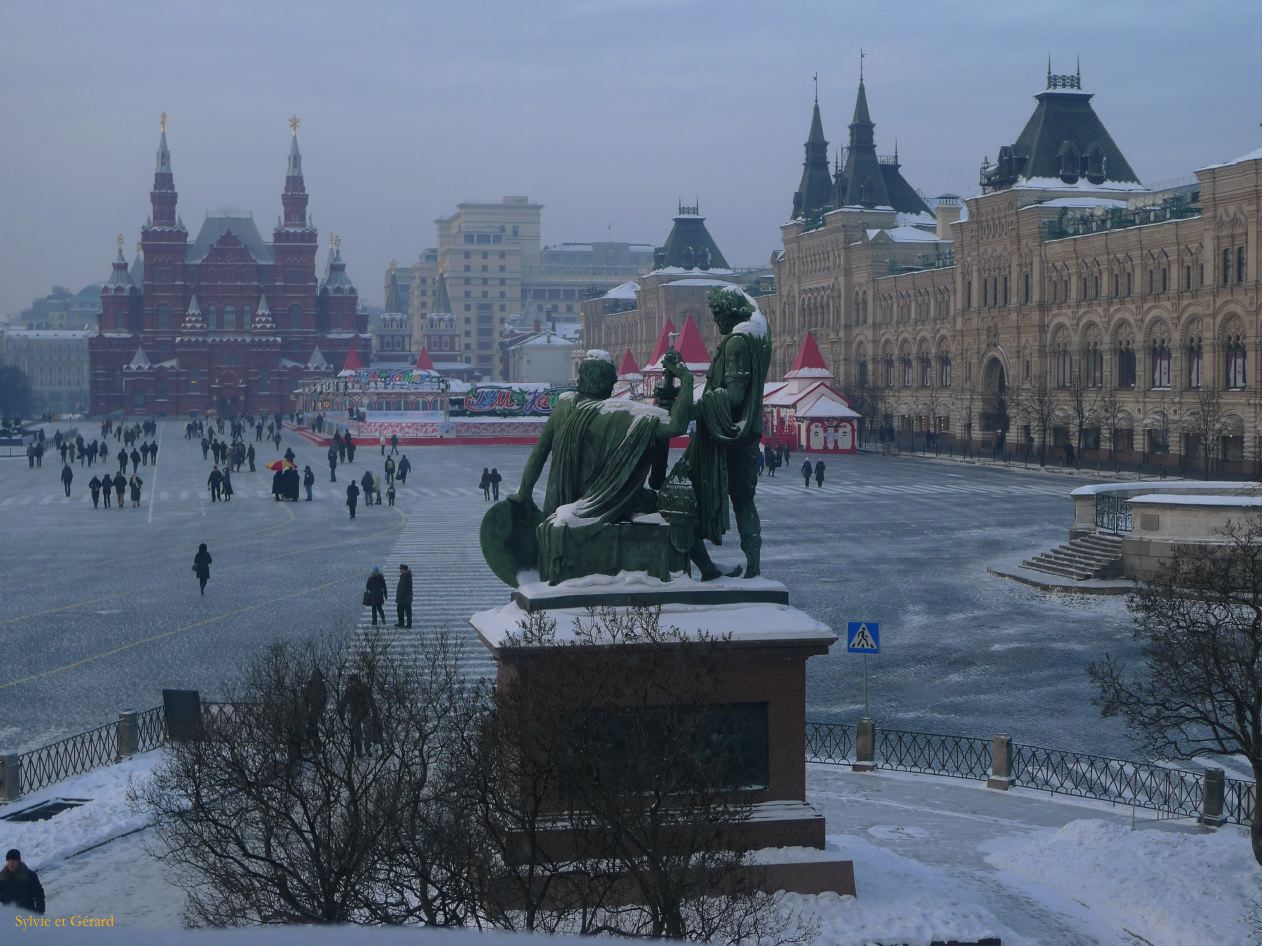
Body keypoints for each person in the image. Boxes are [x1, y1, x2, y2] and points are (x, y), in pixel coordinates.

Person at [684, 288, 772, 580]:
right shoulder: (758, 334)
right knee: (744, 499)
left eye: (718, 316)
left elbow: (733, 396)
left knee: (681, 495)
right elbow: (756, 307)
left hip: (725, 437)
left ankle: (703, 567)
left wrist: (691, 405)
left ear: (730, 313)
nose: (716, 323)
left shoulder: (736, 343)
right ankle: (752, 566)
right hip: (745, 437)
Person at [338, 674, 377, 759]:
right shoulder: (349, 690)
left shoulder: (364, 687)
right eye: (350, 681)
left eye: (353, 681)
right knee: (357, 734)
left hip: (365, 712)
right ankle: (358, 752)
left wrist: (374, 713)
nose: (352, 683)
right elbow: (344, 703)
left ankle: (368, 750)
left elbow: (371, 700)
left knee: (367, 732)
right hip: (355, 714)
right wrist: (342, 714)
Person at [0, 849, 45, 915]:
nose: (11, 864)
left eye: (13, 860)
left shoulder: (30, 875)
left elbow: (39, 895)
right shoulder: (2, 877)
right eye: (9, 861)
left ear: (18, 861)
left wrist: (38, 913)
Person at [395, 563, 413, 628]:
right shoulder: (405, 576)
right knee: (400, 611)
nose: (400, 570)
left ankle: (408, 625)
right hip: (404, 597)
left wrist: (399, 597)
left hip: (404, 598)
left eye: (401, 569)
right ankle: (401, 623)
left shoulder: (405, 577)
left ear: (404, 570)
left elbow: (403, 588)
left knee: (407, 612)